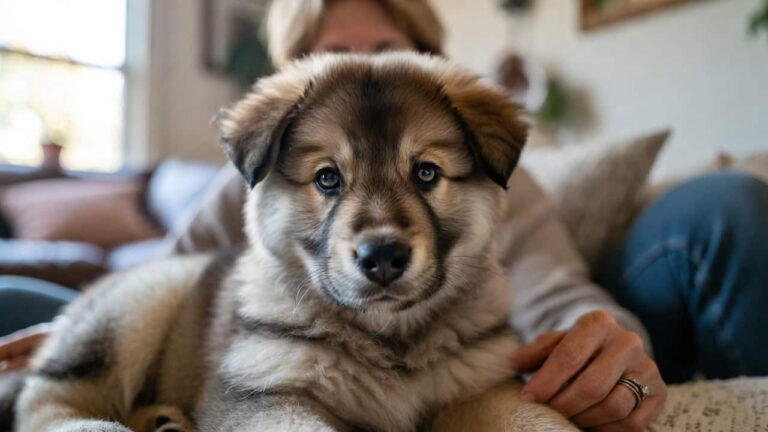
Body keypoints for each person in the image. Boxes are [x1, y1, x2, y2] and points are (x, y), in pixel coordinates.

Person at [2, 1, 767, 431]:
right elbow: (168, 279)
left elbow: (556, 300)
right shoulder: (255, 175)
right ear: (295, 81)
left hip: (444, 343)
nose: (379, 227)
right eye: (328, 177)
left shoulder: (498, 178)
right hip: (192, 331)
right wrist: (78, 337)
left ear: (425, 57)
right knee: (23, 303)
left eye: (425, 172)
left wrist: (612, 346)